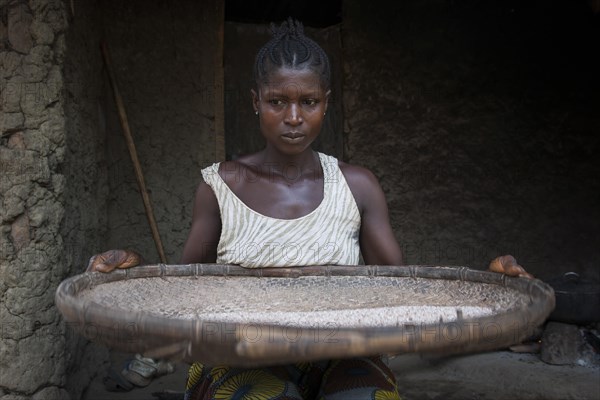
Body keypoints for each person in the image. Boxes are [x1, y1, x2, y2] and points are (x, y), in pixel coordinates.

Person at [88, 19, 532, 400]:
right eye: (278, 101)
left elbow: (400, 292)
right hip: (237, 355)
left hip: (341, 352)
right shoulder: (220, 186)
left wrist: (490, 285)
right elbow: (185, 294)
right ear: (255, 102)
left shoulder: (357, 186)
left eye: (309, 102)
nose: (294, 117)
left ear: (326, 102)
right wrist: (134, 272)